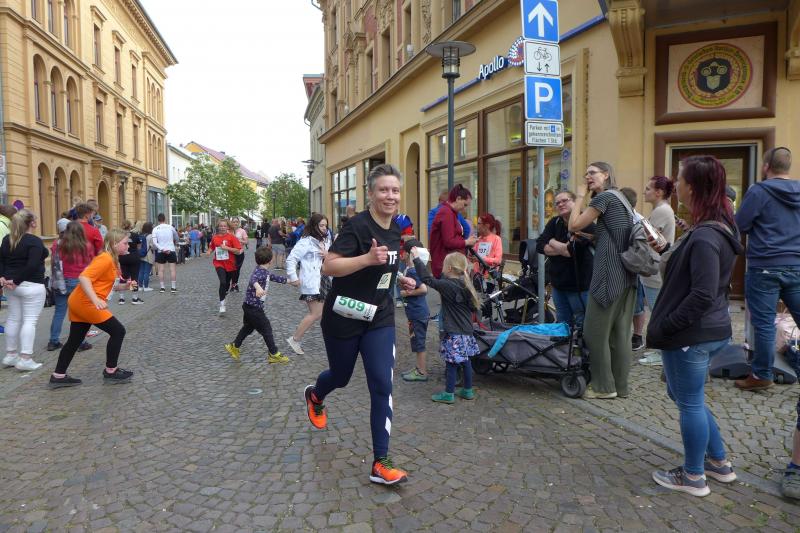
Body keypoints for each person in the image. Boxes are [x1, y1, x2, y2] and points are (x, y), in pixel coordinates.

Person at [303, 163, 417, 485]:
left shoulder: (397, 228)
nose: (390, 196)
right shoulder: (356, 226)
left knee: (382, 384)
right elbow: (329, 267)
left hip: (379, 317)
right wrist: (366, 259)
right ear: (370, 193)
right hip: (344, 315)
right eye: (384, 190)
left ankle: (381, 462)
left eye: (395, 190)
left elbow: (385, 267)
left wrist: (401, 280)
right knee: (340, 376)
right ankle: (316, 395)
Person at [645, 155, 742, 497]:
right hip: (709, 329)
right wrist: (668, 249)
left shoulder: (705, 236)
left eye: (680, 178)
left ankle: (693, 476)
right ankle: (718, 463)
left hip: (692, 333)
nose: (676, 184)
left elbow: (702, 293)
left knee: (689, 402)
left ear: (694, 186)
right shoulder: (716, 227)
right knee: (688, 398)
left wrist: (668, 326)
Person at [734, 147, 800, 391]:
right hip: (796, 265)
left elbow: (740, 224)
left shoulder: (759, 191)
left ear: (765, 167)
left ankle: (762, 375)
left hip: (765, 266)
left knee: (764, 324)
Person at [568, 162, 636, 399]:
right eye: (586, 173)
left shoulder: (604, 198)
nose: (587, 177)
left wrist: (579, 196)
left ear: (606, 174)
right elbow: (612, 233)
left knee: (594, 332)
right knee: (620, 335)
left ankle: (603, 387)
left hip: (608, 274)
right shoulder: (621, 198)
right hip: (627, 275)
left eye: (592, 172)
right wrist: (591, 236)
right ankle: (621, 386)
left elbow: (573, 224)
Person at [49, 229, 135, 388]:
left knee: (75, 340)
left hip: (80, 301)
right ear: (114, 244)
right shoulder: (105, 258)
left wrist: (125, 286)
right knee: (118, 331)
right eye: (125, 243)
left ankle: (58, 376)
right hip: (86, 303)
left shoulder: (111, 259)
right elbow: (84, 277)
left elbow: (106, 285)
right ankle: (111, 371)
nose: (128, 245)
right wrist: (95, 300)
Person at [414, 250, 480, 403]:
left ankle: (449, 394)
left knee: (451, 363)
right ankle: (468, 390)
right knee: (466, 361)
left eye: (444, 264)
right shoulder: (465, 284)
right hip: (467, 331)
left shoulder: (447, 285)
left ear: (449, 268)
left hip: (454, 332)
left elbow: (427, 279)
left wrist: (417, 259)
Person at [536, 191, 595, 328]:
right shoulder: (555, 222)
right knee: (563, 325)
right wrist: (562, 247)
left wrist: (551, 241)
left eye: (564, 200)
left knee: (582, 325)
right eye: (557, 203)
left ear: (575, 202)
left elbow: (570, 252)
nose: (560, 204)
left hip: (579, 287)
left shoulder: (586, 224)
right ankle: (565, 343)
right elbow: (539, 245)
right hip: (558, 286)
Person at [635, 176, 677, 365]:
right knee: (657, 311)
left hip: (655, 270)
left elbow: (647, 238)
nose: (644, 192)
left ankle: (662, 354)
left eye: (648, 188)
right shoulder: (661, 209)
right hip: (654, 268)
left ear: (658, 192)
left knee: (658, 312)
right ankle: (661, 351)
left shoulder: (662, 210)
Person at [224, 246, 290, 364]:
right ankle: (274, 354)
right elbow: (253, 280)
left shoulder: (263, 270)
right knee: (267, 328)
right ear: (271, 260)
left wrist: (289, 281)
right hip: (254, 308)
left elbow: (273, 277)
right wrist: (258, 288)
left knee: (248, 328)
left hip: (248, 306)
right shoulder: (259, 272)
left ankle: (234, 346)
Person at [0, 210, 48, 371]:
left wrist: (4, 277)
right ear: (32, 223)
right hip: (30, 285)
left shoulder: (7, 239)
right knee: (29, 321)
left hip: (11, 286)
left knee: (13, 318)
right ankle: (25, 358)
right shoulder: (34, 241)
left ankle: (10, 355)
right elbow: (32, 264)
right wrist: (16, 280)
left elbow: (1, 260)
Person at [285, 214, 331, 355]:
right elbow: (291, 259)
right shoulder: (305, 242)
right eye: (321, 225)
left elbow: (330, 257)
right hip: (312, 281)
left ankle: (333, 338)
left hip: (325, 279)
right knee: (316, 313)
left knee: (328, 311)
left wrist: (327, 254)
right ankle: (295, 339)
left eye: (325, 225)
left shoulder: (326, 239)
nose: (324, 228)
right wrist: (293, 277)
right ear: (314, 226)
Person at [47, 220, 95, 352]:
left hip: (61, 281)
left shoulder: (58, 244)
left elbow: (53, 260)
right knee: (80, 314)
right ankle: (81, 342)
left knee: (59, 312)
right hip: (80, 282)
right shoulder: (86, 246)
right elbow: (91, 264)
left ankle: (53, 341)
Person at [429, 184, 478, 279]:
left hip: (449, 266)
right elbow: (449, 241)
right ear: (458, 198)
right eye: (465, 205)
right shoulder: (447, 213)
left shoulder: (450, 212)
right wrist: (466, 242)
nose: (464, 208)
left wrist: (466, 242)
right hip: (446, 267)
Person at [399, 239, 430, 382]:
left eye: (403, 252)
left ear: (407, 254)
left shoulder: (413, 270)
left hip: (418, 313)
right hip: (414, 313)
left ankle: (422, 372)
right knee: (416, 341)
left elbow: (424, 289)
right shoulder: (413, 269)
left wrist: (407, 293)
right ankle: (418, 368)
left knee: (419, 342)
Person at [208, 219, 243, 314]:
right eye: (221, 226)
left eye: (224, 226)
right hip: (219, 263)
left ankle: (225, 293)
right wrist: (209, 251)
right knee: (222, 282)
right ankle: (222, 304)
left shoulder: (232, 237)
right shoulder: (215, 237)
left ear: (227, 227)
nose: (222, 228)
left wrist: (227, 248)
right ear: (218, 227)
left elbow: (238, 251)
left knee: (226, 284)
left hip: (230, 264)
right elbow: (212, 247)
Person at [152, 213, 178, 293]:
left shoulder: (155, 229)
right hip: (171, 249)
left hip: (161, 251)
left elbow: (154, 242)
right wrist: (175, 243)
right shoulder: (171, 227)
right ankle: (173, 287)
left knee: (161, 270)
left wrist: (162, 249)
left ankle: (162, 287)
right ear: (165, 219)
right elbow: (176, 237)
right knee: (172, 270)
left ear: (158, 220)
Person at [118, 220, 142, 305]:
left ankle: (121, 299)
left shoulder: (119, 236)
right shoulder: (135, 235)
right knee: (134, 278)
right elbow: (139, 247)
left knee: (123, 277)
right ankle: (134, 298)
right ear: (130, 226)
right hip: (133, 257)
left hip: (122, 257)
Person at [229, 217, 249, 291]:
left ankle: (235, 284)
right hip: (230, 253)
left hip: (239, 253)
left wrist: (239, 240)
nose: (235, 223)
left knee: (237, 269)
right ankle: (233, 284)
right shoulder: (229, 231)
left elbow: (246, 242)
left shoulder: (242, 231)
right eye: (234, 222)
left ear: (239, 223)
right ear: (231, 223)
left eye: (237, 222)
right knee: (231, 269)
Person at [138, 222, 154, 292]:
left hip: (141, 255)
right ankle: (146, 287)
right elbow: (153, 247)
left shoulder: (140, 235)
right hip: (148, 256)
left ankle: (140, 286)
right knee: (147, 272)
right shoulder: (150, 236)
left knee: (141, 271)